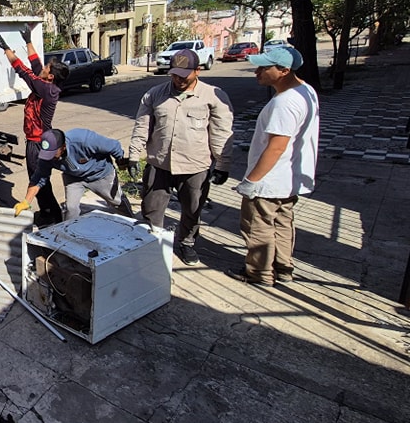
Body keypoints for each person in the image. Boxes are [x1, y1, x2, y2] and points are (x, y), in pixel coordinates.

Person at [127, 48, 233, 265]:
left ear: (197, 71)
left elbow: (221, 132)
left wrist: (222, 164)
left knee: (192, 210)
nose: (178, 79)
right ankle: (151, 244)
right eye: (174, 74)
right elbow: (142, 126)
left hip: (195, 166)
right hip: (159, 163)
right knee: (151, 209)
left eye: (184, 75)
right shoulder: (155, 94)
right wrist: (133, 155)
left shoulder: (213, 96)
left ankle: (187, 244)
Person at [227, 46, 319, 287]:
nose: (257, 72)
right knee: (282, 223)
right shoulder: (305, 91)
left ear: (284, 70)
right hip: (289, 179)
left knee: (257, 227)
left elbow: (276, 146)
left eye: (263, 68)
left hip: (269, 181)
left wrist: (252, 181)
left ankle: (259, 273)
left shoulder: (284, 103)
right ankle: (283, 267)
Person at [0, 28, 70, 225]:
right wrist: (28, 41)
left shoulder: (46, 89)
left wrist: (6, 48)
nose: (43, 67)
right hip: (37, 141)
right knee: (39, 179)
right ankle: (48, 213)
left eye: (47, 67)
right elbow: (35, 64)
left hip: (39, 143)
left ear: (50, 76)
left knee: (39, 180)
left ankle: (52, 216)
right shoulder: (46, 83)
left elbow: (23, 71)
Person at [14, 128, 134, 220]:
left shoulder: (83, 139)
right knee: (71, 209)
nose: (49, 157)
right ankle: (69, 238)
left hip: (100, 174)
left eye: (53, 153)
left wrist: (120, 160)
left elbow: (113, 146)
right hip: (73, 178)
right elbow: (38, 179)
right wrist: (26, 202)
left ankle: (132, 224)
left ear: (63, 146)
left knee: (117, 202)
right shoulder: (46, 157)